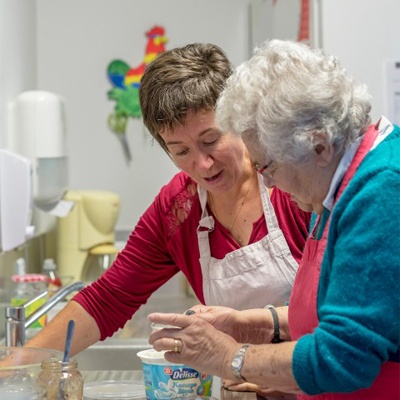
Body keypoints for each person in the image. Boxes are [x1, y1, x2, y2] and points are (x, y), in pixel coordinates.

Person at [148, 39, 400, 399]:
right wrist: (247, 323)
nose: (265, 180)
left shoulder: (382, 191)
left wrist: (230, 357)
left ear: (318, 145)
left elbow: (344, 356)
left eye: (268, 165)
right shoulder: (336, 185)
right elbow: (343, 309)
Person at [26, 43, 310, 360]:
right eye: (181, 151)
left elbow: (337, 310)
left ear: (238, 119)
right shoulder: (178, 210)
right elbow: (107, 299)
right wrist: (17, 368)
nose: (203, 164)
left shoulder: (293, 185)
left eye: (211, 140)